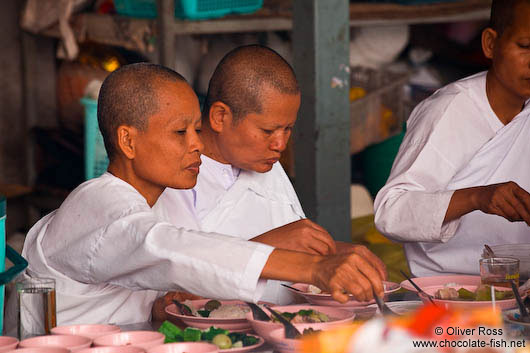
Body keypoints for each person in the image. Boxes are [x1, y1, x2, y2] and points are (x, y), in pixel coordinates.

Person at [6, 63, 383, 328]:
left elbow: (159, 280)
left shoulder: (159, 205)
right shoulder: (97, 202)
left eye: (197, 130)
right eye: (179, 133)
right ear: (128, 141)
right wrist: (314, 268)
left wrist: (164, 306)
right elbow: (166, 248)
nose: (197, 146)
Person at [154, 45, 387, 305]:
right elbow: (169, 303)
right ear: (220, 117)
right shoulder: (174, 179)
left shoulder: (266, 164)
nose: (280, 144)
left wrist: (336, 255)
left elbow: (296, 248)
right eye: (267, 131)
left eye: (287, 129)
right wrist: (269, 247)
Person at [374, 0, 530, 277]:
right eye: (525, 47)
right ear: (491, 44)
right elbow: (391, 213)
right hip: (450, 292)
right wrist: (477, 197)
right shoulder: (449, 110)